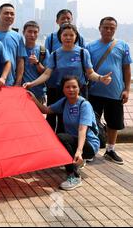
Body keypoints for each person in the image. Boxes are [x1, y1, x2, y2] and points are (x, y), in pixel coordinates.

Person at [23, 23, 112, 133]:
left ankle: (81, 147)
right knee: (62, 121)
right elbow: (46, 74)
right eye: (65, 35)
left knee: (81, 121)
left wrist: (100, 78)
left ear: (76, 37)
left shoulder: (83, 53)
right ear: (60, 36)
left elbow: (90, 73)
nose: (68, 38)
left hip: (80, 91)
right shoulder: (55, 54)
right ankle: (64, 146)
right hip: (62, 92)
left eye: (71, 35)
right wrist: (32, 84)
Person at [28, 76, 100, 190]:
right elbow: (46, 110)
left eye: (74, 87)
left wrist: (79, 151)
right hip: (75, 142)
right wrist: (33, 99)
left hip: (89, 145)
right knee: (58, 138)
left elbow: (82, 129)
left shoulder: (84, 105)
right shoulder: (65, 102)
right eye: (68, 87)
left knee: (61, 137)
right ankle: (75, 163)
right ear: (63, 89)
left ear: (79, 88)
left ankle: (75, 176)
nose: (71, 89)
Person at [87, 17, 132, 165]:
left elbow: (126, 68)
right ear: (99, 28)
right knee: (92, 122)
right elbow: (87, 69)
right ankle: (91, 149)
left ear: (115, 29)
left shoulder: (123, 46)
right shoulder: (90, 47)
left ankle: (110, 150)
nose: (108, 30)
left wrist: (126, 89)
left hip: (115, 92)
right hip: (94, 92)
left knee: (114, 123)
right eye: (105, 27)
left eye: (112, 28)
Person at [44, 9, 86, 131]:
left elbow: (84, 61)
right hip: (55, 84)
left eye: (68, 18)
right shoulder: (51, 38)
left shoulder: (80, 38)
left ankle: (71, 142)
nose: (66, 20)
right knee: (52, 114)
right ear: (57, 21)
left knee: (75, 115)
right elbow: (48, 64)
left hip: (76, 86)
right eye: (63, 18)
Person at [0, 3, 27, 86]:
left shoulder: (18, 37)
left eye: (12, 14)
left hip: (10, 83)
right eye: (6, 13)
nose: (9, 16)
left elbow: (20, 61)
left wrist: (18, 82)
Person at [22, 21, 49, 103]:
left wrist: (37, 63)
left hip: (38, 93)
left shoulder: (43, 51)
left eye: (35, 32)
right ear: (23, 32)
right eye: (29, 31)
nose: (32, 35)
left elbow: (46, 73)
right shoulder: (18, 49)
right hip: (21, 91)